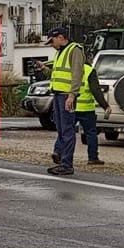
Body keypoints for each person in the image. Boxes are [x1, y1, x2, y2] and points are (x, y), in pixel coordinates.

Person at [44, 27, 87, 176]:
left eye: (52, 41)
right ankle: (60, 155)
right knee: (62, 129)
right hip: (58, 95)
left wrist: (72, 95)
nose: (51, 44)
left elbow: (76, 74)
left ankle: (67, 164)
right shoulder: (60, 52)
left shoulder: (74, 50)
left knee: (67, 130)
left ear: (61, 37)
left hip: (66, 96)